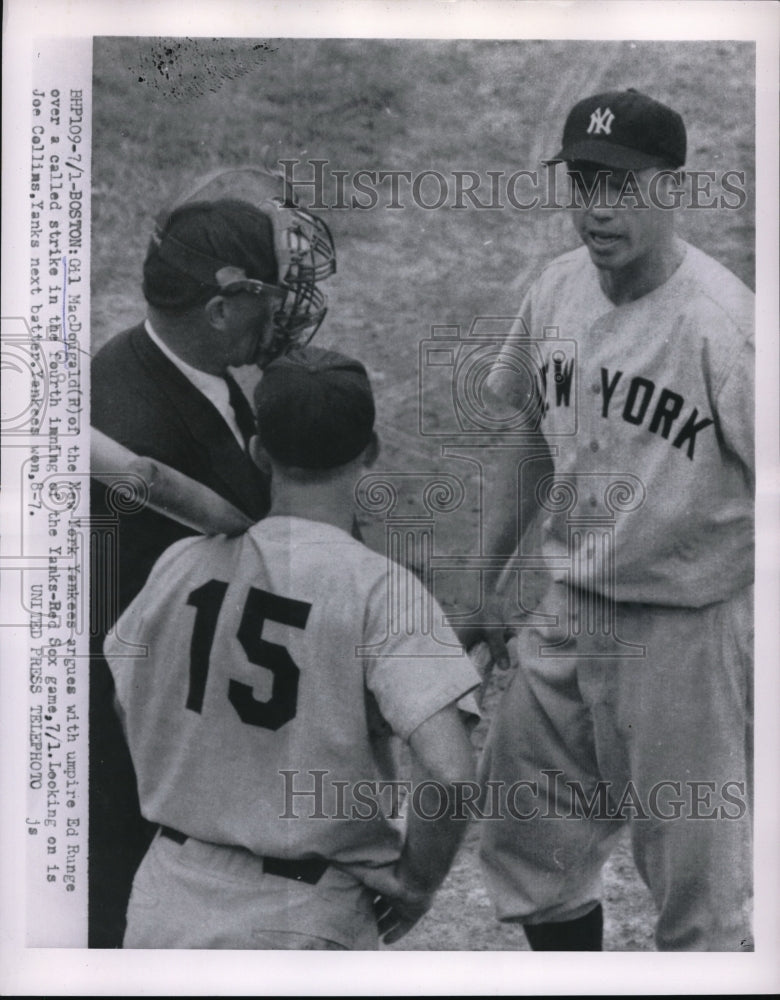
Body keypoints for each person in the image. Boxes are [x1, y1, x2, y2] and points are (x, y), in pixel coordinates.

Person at [473, 90, 754, 951]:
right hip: (570, 612)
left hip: (686, 635)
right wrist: (481, 584)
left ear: (675, 189)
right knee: (531, 845)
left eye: (624, 187)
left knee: (698, 897)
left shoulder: (726, 328)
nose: (599, 208)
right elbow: (530, 434)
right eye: (586, 183)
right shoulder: (557, 290)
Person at [104, 346, 480, 949]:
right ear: (371, 450)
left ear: (259, 451)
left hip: (166, 897)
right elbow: (450, 773)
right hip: (302, 917)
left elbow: (126, 700)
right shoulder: (381, 591)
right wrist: (416, 883)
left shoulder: (180, 563)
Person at [89, 176, 337, 946]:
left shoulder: (163, 361)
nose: (286, 309)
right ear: (221, 309)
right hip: (145, 770)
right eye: (271, 295)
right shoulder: (141, 429)